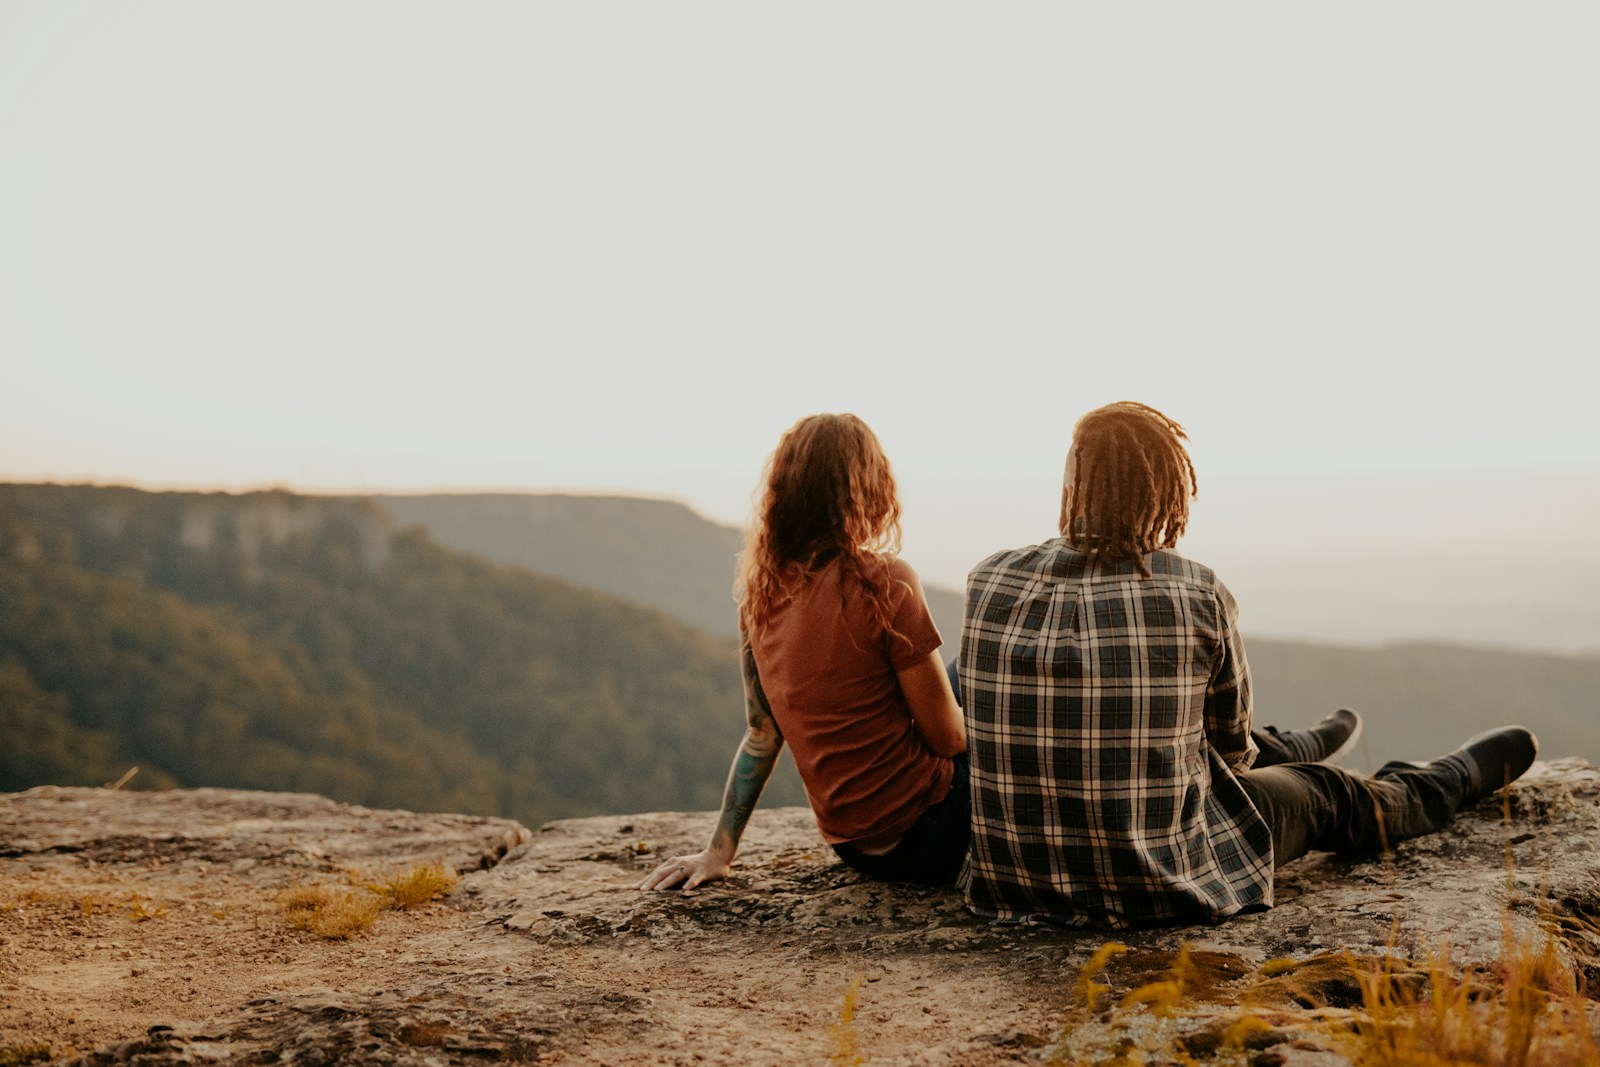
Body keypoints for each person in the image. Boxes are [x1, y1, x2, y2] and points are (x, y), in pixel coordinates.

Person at [960, 401, 1538, 930]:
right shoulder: (1194, 589)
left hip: (1014, 883)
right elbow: (1231, 751)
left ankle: (1299, 741)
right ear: (1166, 493)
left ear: (1071, 486)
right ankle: (1447, 780)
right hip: (1158, 880)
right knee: (1327, 794)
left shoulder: (988, 578)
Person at [639, 413, 970, 891]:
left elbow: (761, 734)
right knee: (987, 674)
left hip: (854, 847)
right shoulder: (886, 582)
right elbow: (949, 741)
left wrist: (718, 851)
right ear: (870, 487)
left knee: (957, 677)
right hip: (930, 836)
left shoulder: (760, 596)